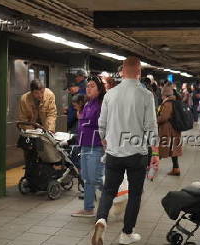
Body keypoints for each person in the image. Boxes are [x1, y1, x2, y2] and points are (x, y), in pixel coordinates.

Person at [92, 57, 159, 245]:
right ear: (139, 73)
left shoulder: (110, 94)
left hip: (114, 153)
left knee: (108, 191)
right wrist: (155, 153)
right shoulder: (146, 95)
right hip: (137, 154)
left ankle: (101, 219)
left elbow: (102, 124)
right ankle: (126, 234)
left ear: (122, 72)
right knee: (135, 195)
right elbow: (151, 126)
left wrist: (106, 142)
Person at [71, 76, 106, 217]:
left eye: (92, 86)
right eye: (88, 86)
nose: (88, 88)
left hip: (96, 146)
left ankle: (117, 195)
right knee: (87, 178)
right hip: (85, 146)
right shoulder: (88, 104)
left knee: (95, 178)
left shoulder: (101, 105)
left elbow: (105, 125)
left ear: (99, 89)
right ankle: (88, 209)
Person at [157, 83, 183, 176]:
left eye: (162, 94)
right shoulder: (174, 101)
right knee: (173, 149)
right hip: (174, 128)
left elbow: (164, 117)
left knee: (165, 147)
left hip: (168, 129)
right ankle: (176, 168)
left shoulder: (168, 103)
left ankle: (153, 165)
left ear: (165, 94)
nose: (161, 96)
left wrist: (156, 120)